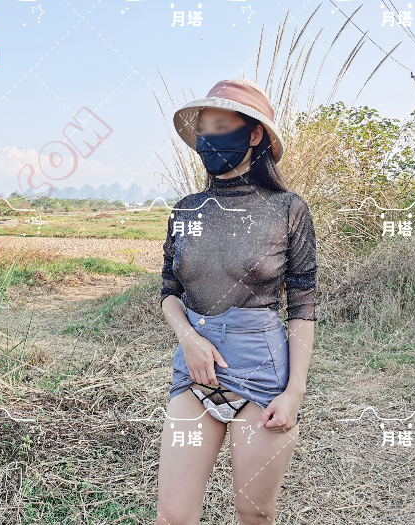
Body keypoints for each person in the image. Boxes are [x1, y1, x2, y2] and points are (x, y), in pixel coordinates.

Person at [155, 79, 318, 525]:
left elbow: (302, 305)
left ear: (254, 134)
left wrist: (294, 392)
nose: (210, 139)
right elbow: (169, 291)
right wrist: (188, 339)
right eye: (204, 129)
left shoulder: (288, 209)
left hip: (262, 374)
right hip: (196, 372)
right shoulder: (186, 210)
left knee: (254, 513)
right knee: (172, 516)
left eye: (222, 126)